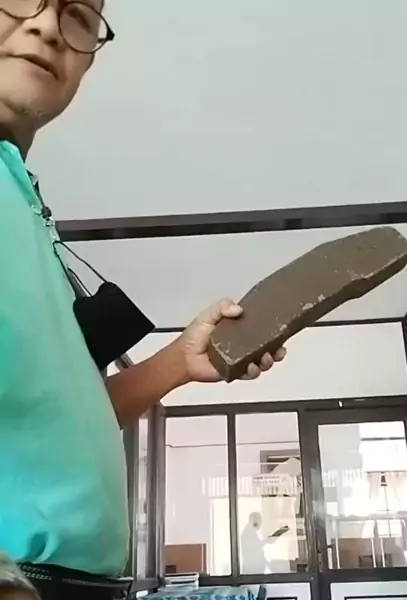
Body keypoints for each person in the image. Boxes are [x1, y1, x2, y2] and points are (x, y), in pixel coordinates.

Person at [0, 1, 287, 598]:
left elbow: (63, 423)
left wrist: (180, 359)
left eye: (78, 14)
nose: (47, 26)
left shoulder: (21, 197)